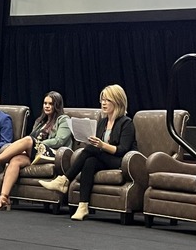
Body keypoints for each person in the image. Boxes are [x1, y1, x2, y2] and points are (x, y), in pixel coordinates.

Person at [39, 84, 137, 220]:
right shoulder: (103, 122)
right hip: (104, 158)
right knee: (89, 161)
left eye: (108, 100)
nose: (103, 103)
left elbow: (123, 150)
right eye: (102, 99)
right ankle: (83, 206)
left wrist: (102, 145)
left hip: (122, 161)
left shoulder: (127, 123)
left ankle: (64, 179)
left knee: (91, 150)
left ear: (118, 101)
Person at [0, 90, 72, 211]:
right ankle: (3, 198)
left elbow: (59, 141)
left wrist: (37, 143)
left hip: (54, 154)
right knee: (15, 160)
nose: (47, 106)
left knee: (28, 140)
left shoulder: (64, 119)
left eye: (50, 104)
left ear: (57, 106)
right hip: (37, 154)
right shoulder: (40, 121)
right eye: (45, 103)